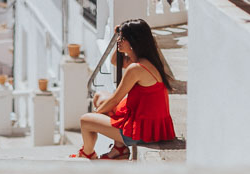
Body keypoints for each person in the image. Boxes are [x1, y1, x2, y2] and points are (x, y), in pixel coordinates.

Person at [70, 18, 176, 160]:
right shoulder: (146, 60)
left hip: (141, 133)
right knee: (100, 96)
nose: (119, 40)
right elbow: (115, 62)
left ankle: (87, 154)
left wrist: (96, 115)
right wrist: (118, 35)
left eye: (123, 38)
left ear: (134, 40)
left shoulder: (136, 68)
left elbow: (115, 99)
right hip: (149, 125)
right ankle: (119, 148)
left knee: (86, 121)